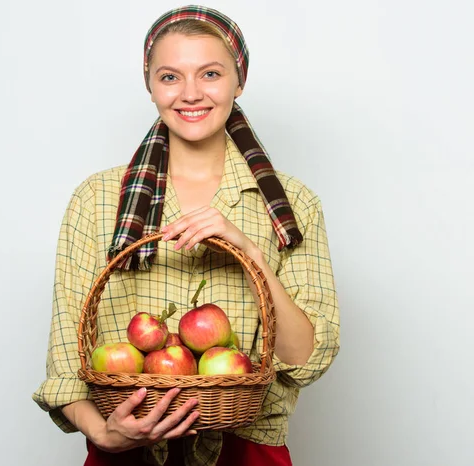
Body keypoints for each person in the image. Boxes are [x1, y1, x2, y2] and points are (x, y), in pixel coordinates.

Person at [33, 5, 340, 466]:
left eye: (211, 73)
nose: (191, 93)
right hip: (125, 451)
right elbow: (65, 361)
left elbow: (305, 360)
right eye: (170, 77)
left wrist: (250, 252)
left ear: (240, 80)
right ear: (150, 85)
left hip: (247, 450)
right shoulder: (97, 199)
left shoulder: (293, 206)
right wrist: (105, 434)